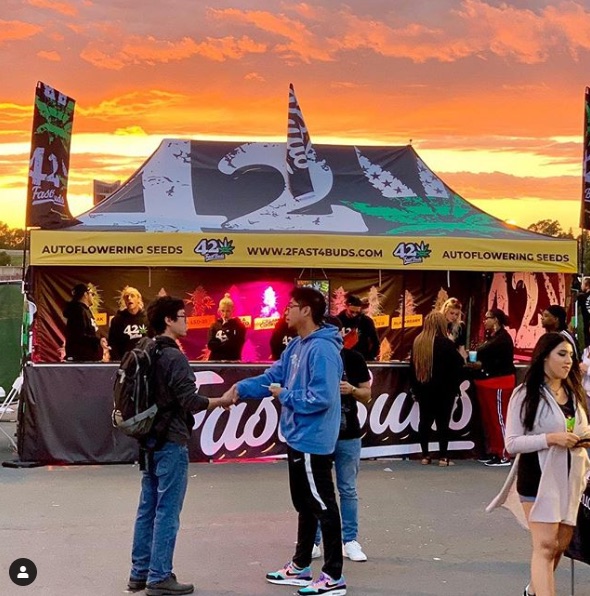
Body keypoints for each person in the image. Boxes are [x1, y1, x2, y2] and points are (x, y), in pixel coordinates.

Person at [222, 287, 346, 595]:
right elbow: (270, 378)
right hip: (297, 436)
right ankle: (301, 566)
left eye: (291, 306)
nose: (285, 312)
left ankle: (333, 576)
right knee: (305, 504)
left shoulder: (323, 350)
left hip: (313, 440)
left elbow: (323, 398)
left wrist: (285, 395)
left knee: (323, 505)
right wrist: (240, 388)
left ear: (306, 310)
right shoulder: (296, 347)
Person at [127, 296, 235, 596]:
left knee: (147, 507)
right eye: (181, 316)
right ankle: (160, 575)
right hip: (171, 439)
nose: (186, 320)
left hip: (148, 438)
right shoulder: (174, 357)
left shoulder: (144, 349)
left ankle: (139, 572)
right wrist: (222, 401)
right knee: (167, 510)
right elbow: (191, 401)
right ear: (168, 321)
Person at [487, 332, 590, 596]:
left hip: (571, 479)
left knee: (559, 545)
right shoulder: (525, 394)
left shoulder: (575, 393)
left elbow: (584, 428)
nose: (568, 362)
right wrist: (551, 439)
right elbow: (512, 443)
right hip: (536, 478)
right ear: (545, 356)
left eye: (571, 356)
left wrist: (583, 440)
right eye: (562, 354)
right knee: (544, 546)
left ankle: (533, 590)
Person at [312, 315, 371, 563]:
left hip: (348, 433)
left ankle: (350, 540)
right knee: (317, 491)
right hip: (319, 434)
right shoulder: (312, 356)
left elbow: (367, 394)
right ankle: (313, 541)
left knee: (347, 488)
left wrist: (352, 390)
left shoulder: (354, 358)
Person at [410, 311, 464, 467]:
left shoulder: (418, 342)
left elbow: (412, 369)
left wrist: (415, 389)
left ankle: (425, 455)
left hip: (424, 389)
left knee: (424, 422)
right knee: (443, 423)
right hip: (444, 390)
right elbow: (458, 363)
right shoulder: (446, 343)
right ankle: (443, 457)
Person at [472, 308, 516, 467]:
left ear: (496, 320)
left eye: (487, 318)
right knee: (490, 419)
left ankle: (504, 453)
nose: (485, 321)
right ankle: (494, 450)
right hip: (487, 382)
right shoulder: (492, 337)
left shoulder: (503, 338)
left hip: (499, 382)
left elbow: (484, 352)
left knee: (499, 418)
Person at [62, 283, 108, 361]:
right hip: (82, 359)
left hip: (88, 358)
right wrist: (98, 340)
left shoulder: (84, 310)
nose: (93, 297)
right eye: (92, 294)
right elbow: (79, 335)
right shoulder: (78, 310)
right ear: (85, 294)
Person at [108, 286, 148, 360]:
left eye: (132, 296)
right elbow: (112, 342)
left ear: (138, 299)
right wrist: (118, 361)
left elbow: (153, 340)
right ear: (124, 301)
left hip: (144, 362)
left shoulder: (148, 318)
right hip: (124, 361)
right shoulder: (117, 320)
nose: (129, 298)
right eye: (126, 297)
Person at [337, 293, 379, 361]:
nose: (354, 314)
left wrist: (371, 357)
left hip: (361, 358)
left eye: (357, 312)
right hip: (342, 359)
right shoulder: (338, 321)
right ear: (346, 306)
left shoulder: (366, 321)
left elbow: (375, 341)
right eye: (352, 311)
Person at [207, 293, 247, 361]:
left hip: (233, 362)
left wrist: (219, 343)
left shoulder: (240, 326)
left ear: (233, 310)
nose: (225, 314)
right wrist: (226, 341)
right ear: (219, 310)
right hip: (216, 362)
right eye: (222, 311)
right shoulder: (214, 326)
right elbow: (211, 345)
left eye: (228, 311)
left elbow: (236, 346)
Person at [576, 277, 590, 349]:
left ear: (587, 285)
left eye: (582, 284)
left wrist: (573, 323)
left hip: (587, 324)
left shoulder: (581, 296)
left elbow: (574, 311)